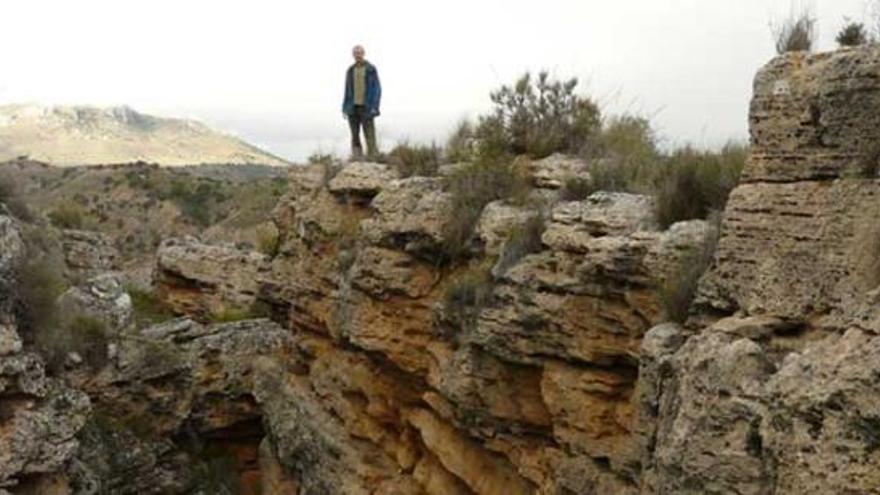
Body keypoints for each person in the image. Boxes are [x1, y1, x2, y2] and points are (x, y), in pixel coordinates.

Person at [342, 45, 382, 159]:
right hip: (352, 107)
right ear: (353, 55)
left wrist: (375, 106)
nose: (357, 55)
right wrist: (344, 107)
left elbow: (377, 89)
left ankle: (373, 157)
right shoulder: (350, 70)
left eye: (359, 53)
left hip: (367, 106)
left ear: (363, 53)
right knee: (354, 134)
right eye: (355, 53)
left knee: (369, 133)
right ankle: (357, 157)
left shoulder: (371, 69)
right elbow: (347, 89)